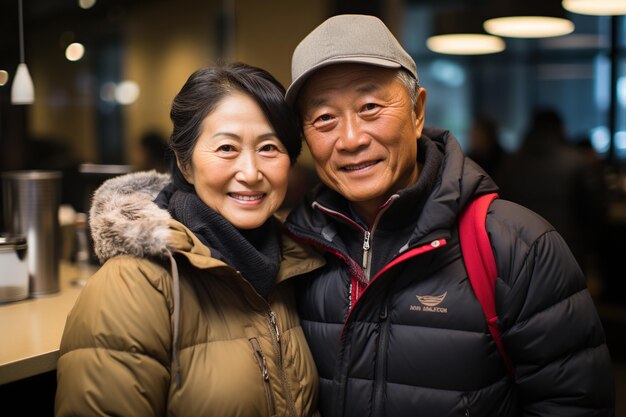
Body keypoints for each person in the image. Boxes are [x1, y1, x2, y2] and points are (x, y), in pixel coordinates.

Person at [283, 14, 614, 417]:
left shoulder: (518, 247)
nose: (351, 139)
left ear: (417, 111)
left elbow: (571, 404)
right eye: (324, 119)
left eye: (370, 106)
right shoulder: (293, 252)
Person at [55, 63, 325, 416]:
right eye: (227, 148)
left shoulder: (293, 266)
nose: (250, 172)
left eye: (269, 148)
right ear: (184, 164)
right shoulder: (133, 284)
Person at [495, 109, 608, 282]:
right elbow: (595, 209)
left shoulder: (509, 163)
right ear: (561, 128)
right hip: (566, 248)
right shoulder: (576, 162)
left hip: (518, 249)